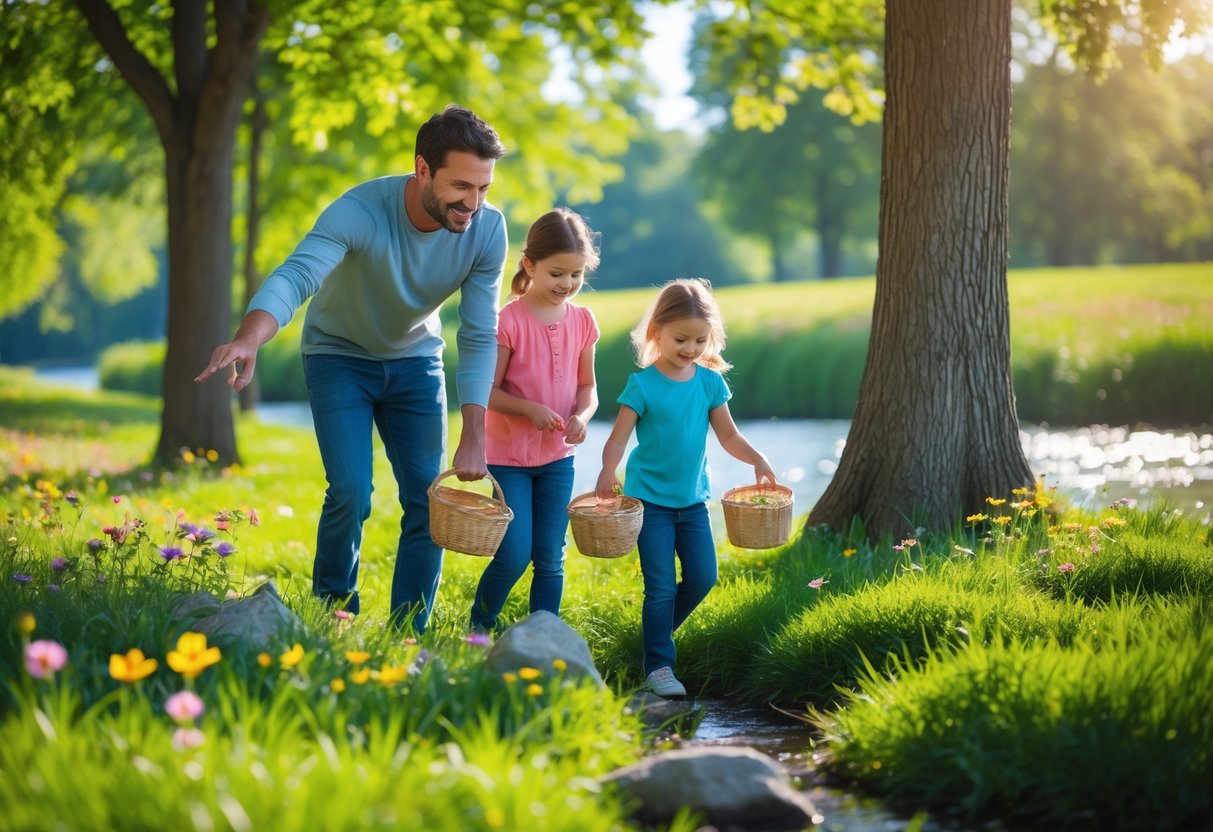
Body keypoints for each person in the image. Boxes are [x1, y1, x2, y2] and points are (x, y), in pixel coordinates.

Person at [194, 105, 508, 633]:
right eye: (461, 186)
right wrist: (249, 337)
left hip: (415, 362)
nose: (472, 203)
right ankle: (333, 616)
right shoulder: (359, 211)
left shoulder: (487, 231)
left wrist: (475, 432)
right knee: (350, 491)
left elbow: (478, 334)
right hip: (339, 355)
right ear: (422, 169)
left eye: (483, 188)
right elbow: (297, 276)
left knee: (425, 500)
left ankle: (409, 633)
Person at [594, 278, 777, 697]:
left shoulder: (710, 383)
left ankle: (651, 637)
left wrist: (758, 459)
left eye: (700, 339)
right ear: (657, 331)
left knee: (702, 578)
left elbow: (729, 437)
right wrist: (608, 469)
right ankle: (658, 665)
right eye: (681, 338)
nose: (690, 348)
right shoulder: (642, 385)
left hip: (693, 503)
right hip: (649, 503)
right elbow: (619, 437)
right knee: (659, 585)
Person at [470, 208, 601, 633]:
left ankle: (545, 636)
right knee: (514, 552)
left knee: (550, 554)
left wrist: (582, 416)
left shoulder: (583, 321)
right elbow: (486, 391)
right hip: (508, 457)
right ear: (530, 265)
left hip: (557, 459)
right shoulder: (508, 321)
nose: (567, 284)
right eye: (557, 273)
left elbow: (588, 388)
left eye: (576, 275)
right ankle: (480, 627)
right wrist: (530, 410)